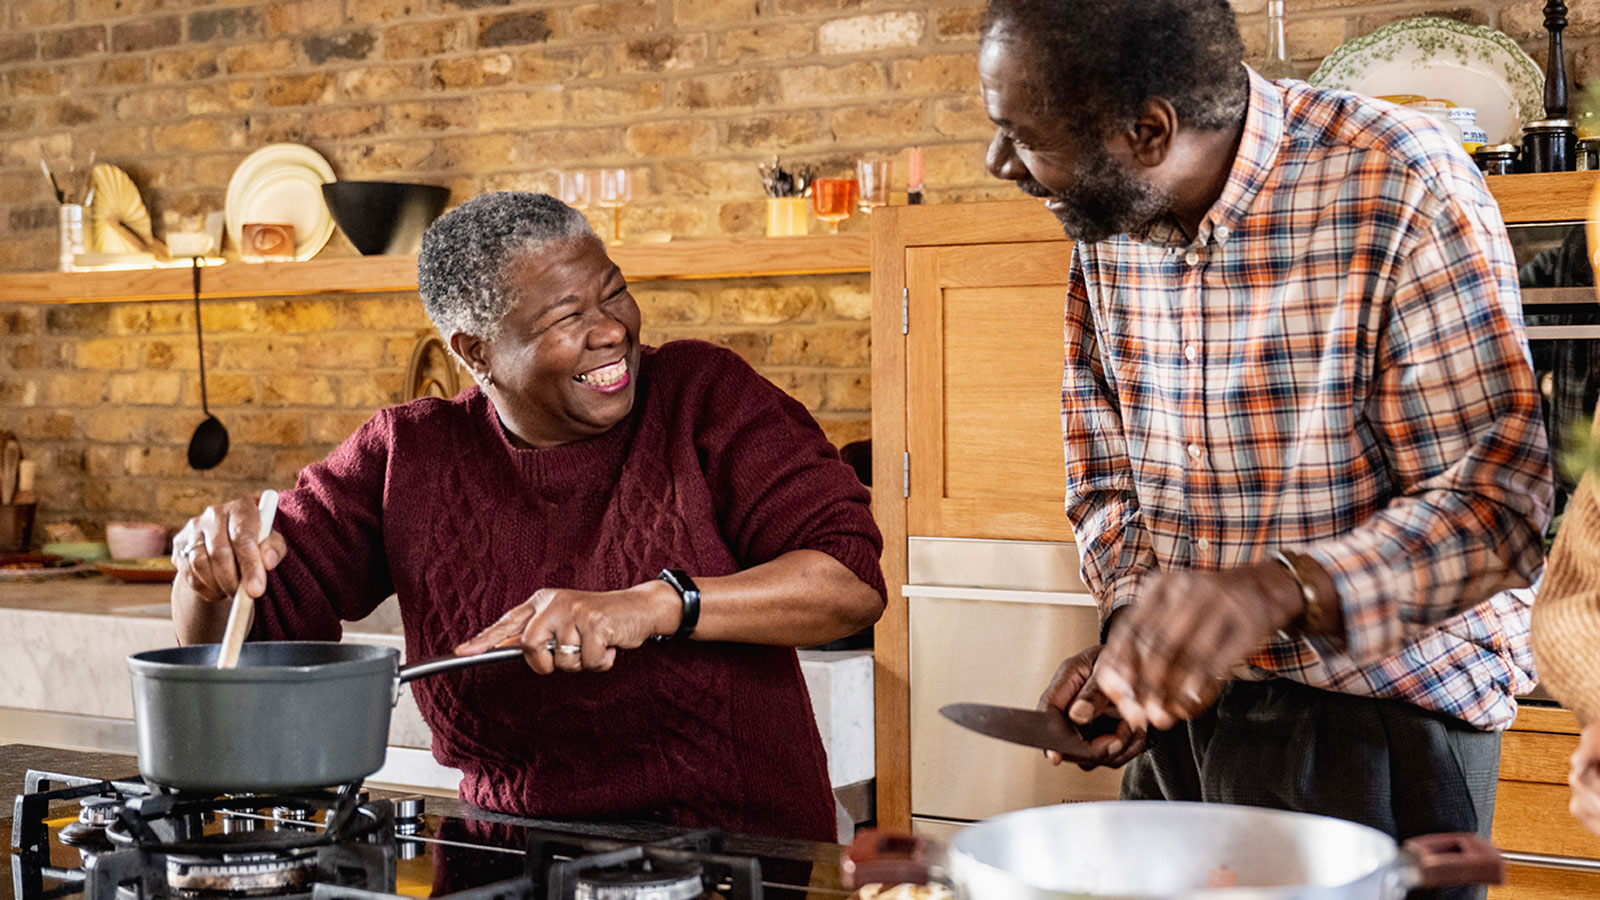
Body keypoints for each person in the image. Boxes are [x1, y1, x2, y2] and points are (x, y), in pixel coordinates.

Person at [976, 0, 1552, 891]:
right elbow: (1105, 476)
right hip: (1189, 734)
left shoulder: (1397, 180)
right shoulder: (1113, 214)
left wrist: (1282, 590)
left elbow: (1495, 514)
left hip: (1381, 732)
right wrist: (1139, 646)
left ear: (1149, 129)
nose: (999, 162)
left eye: (1024, 136)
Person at [168, 191, 887, 842]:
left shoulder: (705, 397)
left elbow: (847, 582)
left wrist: (655, 604)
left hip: (738, 856)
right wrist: (205, 573)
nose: (610, 330)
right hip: (505, 856)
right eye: (566, 316)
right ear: (476, 352)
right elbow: (243, 646)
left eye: (615, 294)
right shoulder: (407, 453)